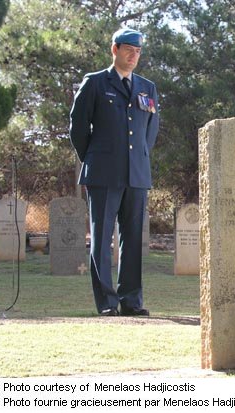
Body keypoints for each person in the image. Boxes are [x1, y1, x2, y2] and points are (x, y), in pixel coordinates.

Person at [70, 28, 159, 316]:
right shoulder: (95, 82)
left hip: (137, 175)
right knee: (102, 238)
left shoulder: (147, 87)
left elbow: (150, 130)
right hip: (103, 174)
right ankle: (107, 303)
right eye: (128, 50)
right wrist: (95, 159)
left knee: (132, 240)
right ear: (115, 49)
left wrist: (139, 158)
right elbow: (78, 127)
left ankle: (131, 301)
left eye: (138, 51)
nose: (134, 56)